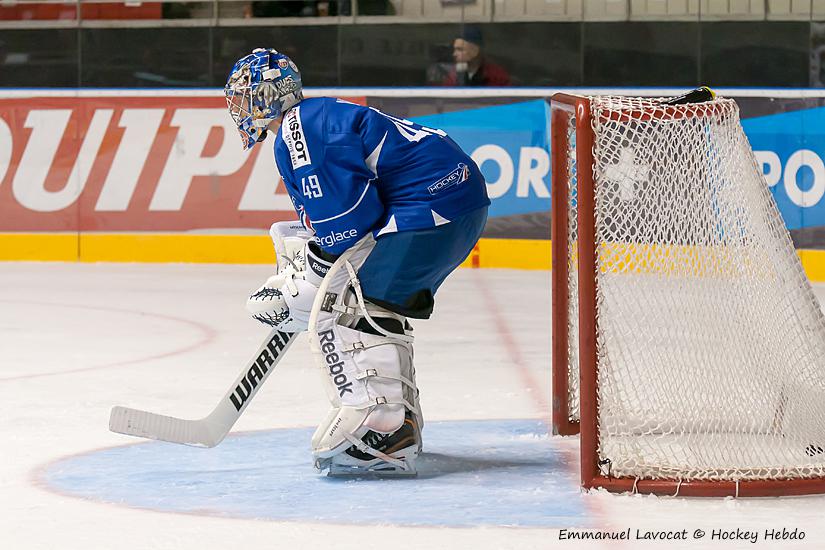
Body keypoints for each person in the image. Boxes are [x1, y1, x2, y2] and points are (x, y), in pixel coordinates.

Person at [224, 48, 490, 476]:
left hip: (433, 208)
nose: (239, 106)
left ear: (271, 93)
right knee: (373, 303)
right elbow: (340, 223)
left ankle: (381, 431)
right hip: (451, 203)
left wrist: (304, 286)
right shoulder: (309, 122)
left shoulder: (300, 129)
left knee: (353, 309)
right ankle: (398, 423)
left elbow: (351, 223)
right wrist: (312, 269)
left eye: (245, 95)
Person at [442, 26, 510, 87]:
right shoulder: (453, 74)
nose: (454, 54)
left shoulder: (495, 75)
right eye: (454, 49)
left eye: (460, 49)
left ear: (475, 51)